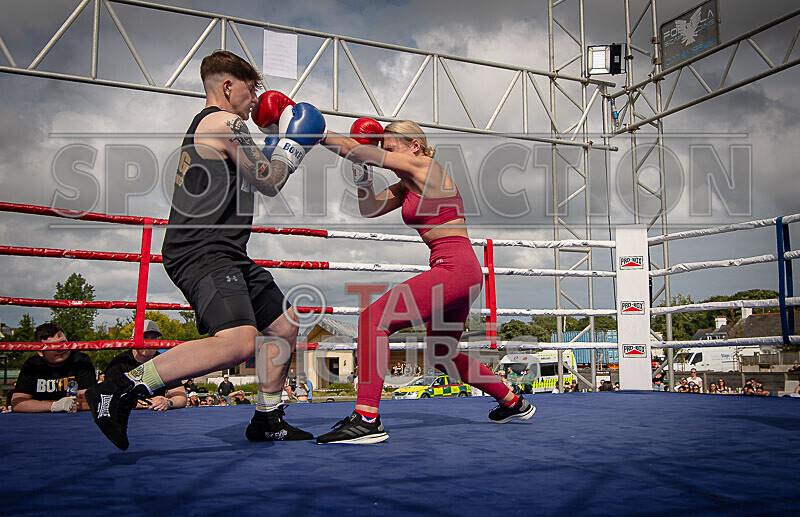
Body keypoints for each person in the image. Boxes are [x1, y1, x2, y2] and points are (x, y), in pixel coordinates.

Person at [85, 50, 325, 450]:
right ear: (228, 86)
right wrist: (293, 146)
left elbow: (262, 175)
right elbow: (269, 180)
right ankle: (120, 387)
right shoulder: (224, 123)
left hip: (227, 251)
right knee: (239, 342)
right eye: (250, 90)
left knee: (284, 325)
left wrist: (276, 144)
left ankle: (267, 418)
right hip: (201, 249)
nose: (255, 100)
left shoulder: (220, 129)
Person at [315, 119, 534, 444]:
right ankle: (513, 402)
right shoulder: (407, 183)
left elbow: (358, 150)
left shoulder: (425, 167)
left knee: (373, 319)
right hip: (461, 271)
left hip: (454, 269)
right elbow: (369, 208)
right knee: (443, 354)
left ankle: (366, 419)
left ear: (414, 145)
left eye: (391, 148)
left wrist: (314, 130)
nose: (386, 153)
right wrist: (363, 172)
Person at [11, 323, 96, 413]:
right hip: (39, 418)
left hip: (75, 418)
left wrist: (70, 405)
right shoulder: (32, 365)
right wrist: (55, 405)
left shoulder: (80, 361)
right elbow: (17, 403)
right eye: (53, 346)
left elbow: (89, 401)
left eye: (63, 343)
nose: (60, 349)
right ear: (40, 351)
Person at [104, 320, 188, 411]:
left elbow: (181, 398)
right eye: (143, 337)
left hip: (157, 415)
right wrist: (129, 403)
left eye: (153, 338)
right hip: (124, 415)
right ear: (132, 340)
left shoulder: (165, 363)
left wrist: (168, 402)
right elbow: (106, 397)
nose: (148, 342)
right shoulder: (118, 363)